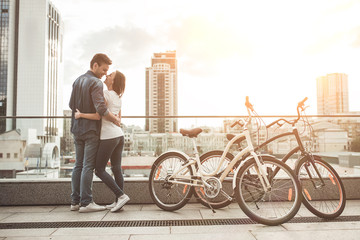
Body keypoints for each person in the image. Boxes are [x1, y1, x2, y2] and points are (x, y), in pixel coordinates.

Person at [69, 53, 120, 213]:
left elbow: (71, 104)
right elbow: (101, 109)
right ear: (95, 65)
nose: (105, 73)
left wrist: (81, 113)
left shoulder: (77, 80)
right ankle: (86, 202)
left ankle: (75, 202)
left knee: (78, 165)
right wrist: (115, 120)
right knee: (88, 166)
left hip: (77, 128)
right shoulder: (96, 83)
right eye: (104, 69)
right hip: (91, 130)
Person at [75, 70, 130, 212]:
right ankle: (119, 201)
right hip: (119, 136)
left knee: (99, 170)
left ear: (113, 81)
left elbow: (98, 116)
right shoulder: (119, 97)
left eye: (110, 75)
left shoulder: (106, 94)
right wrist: (115, 120)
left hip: (108, 137)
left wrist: (81, 114)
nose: (107, 76)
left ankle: (121, 195)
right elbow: (119, 119)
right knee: (116, 169)